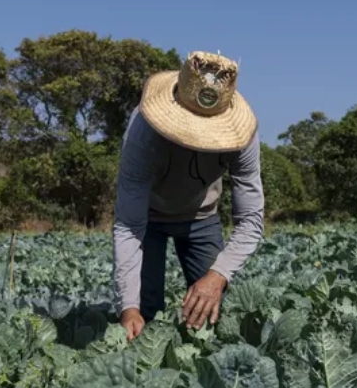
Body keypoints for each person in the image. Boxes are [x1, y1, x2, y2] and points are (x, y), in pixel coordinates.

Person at [112, 50, 265, 341]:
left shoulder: (244, 136)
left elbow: (250, 221)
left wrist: (218, 275)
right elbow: (129, 226)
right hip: (147, 220)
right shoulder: (142, 131)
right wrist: (128, 307)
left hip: (202, 218)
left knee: (211, 315)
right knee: (143, 315)